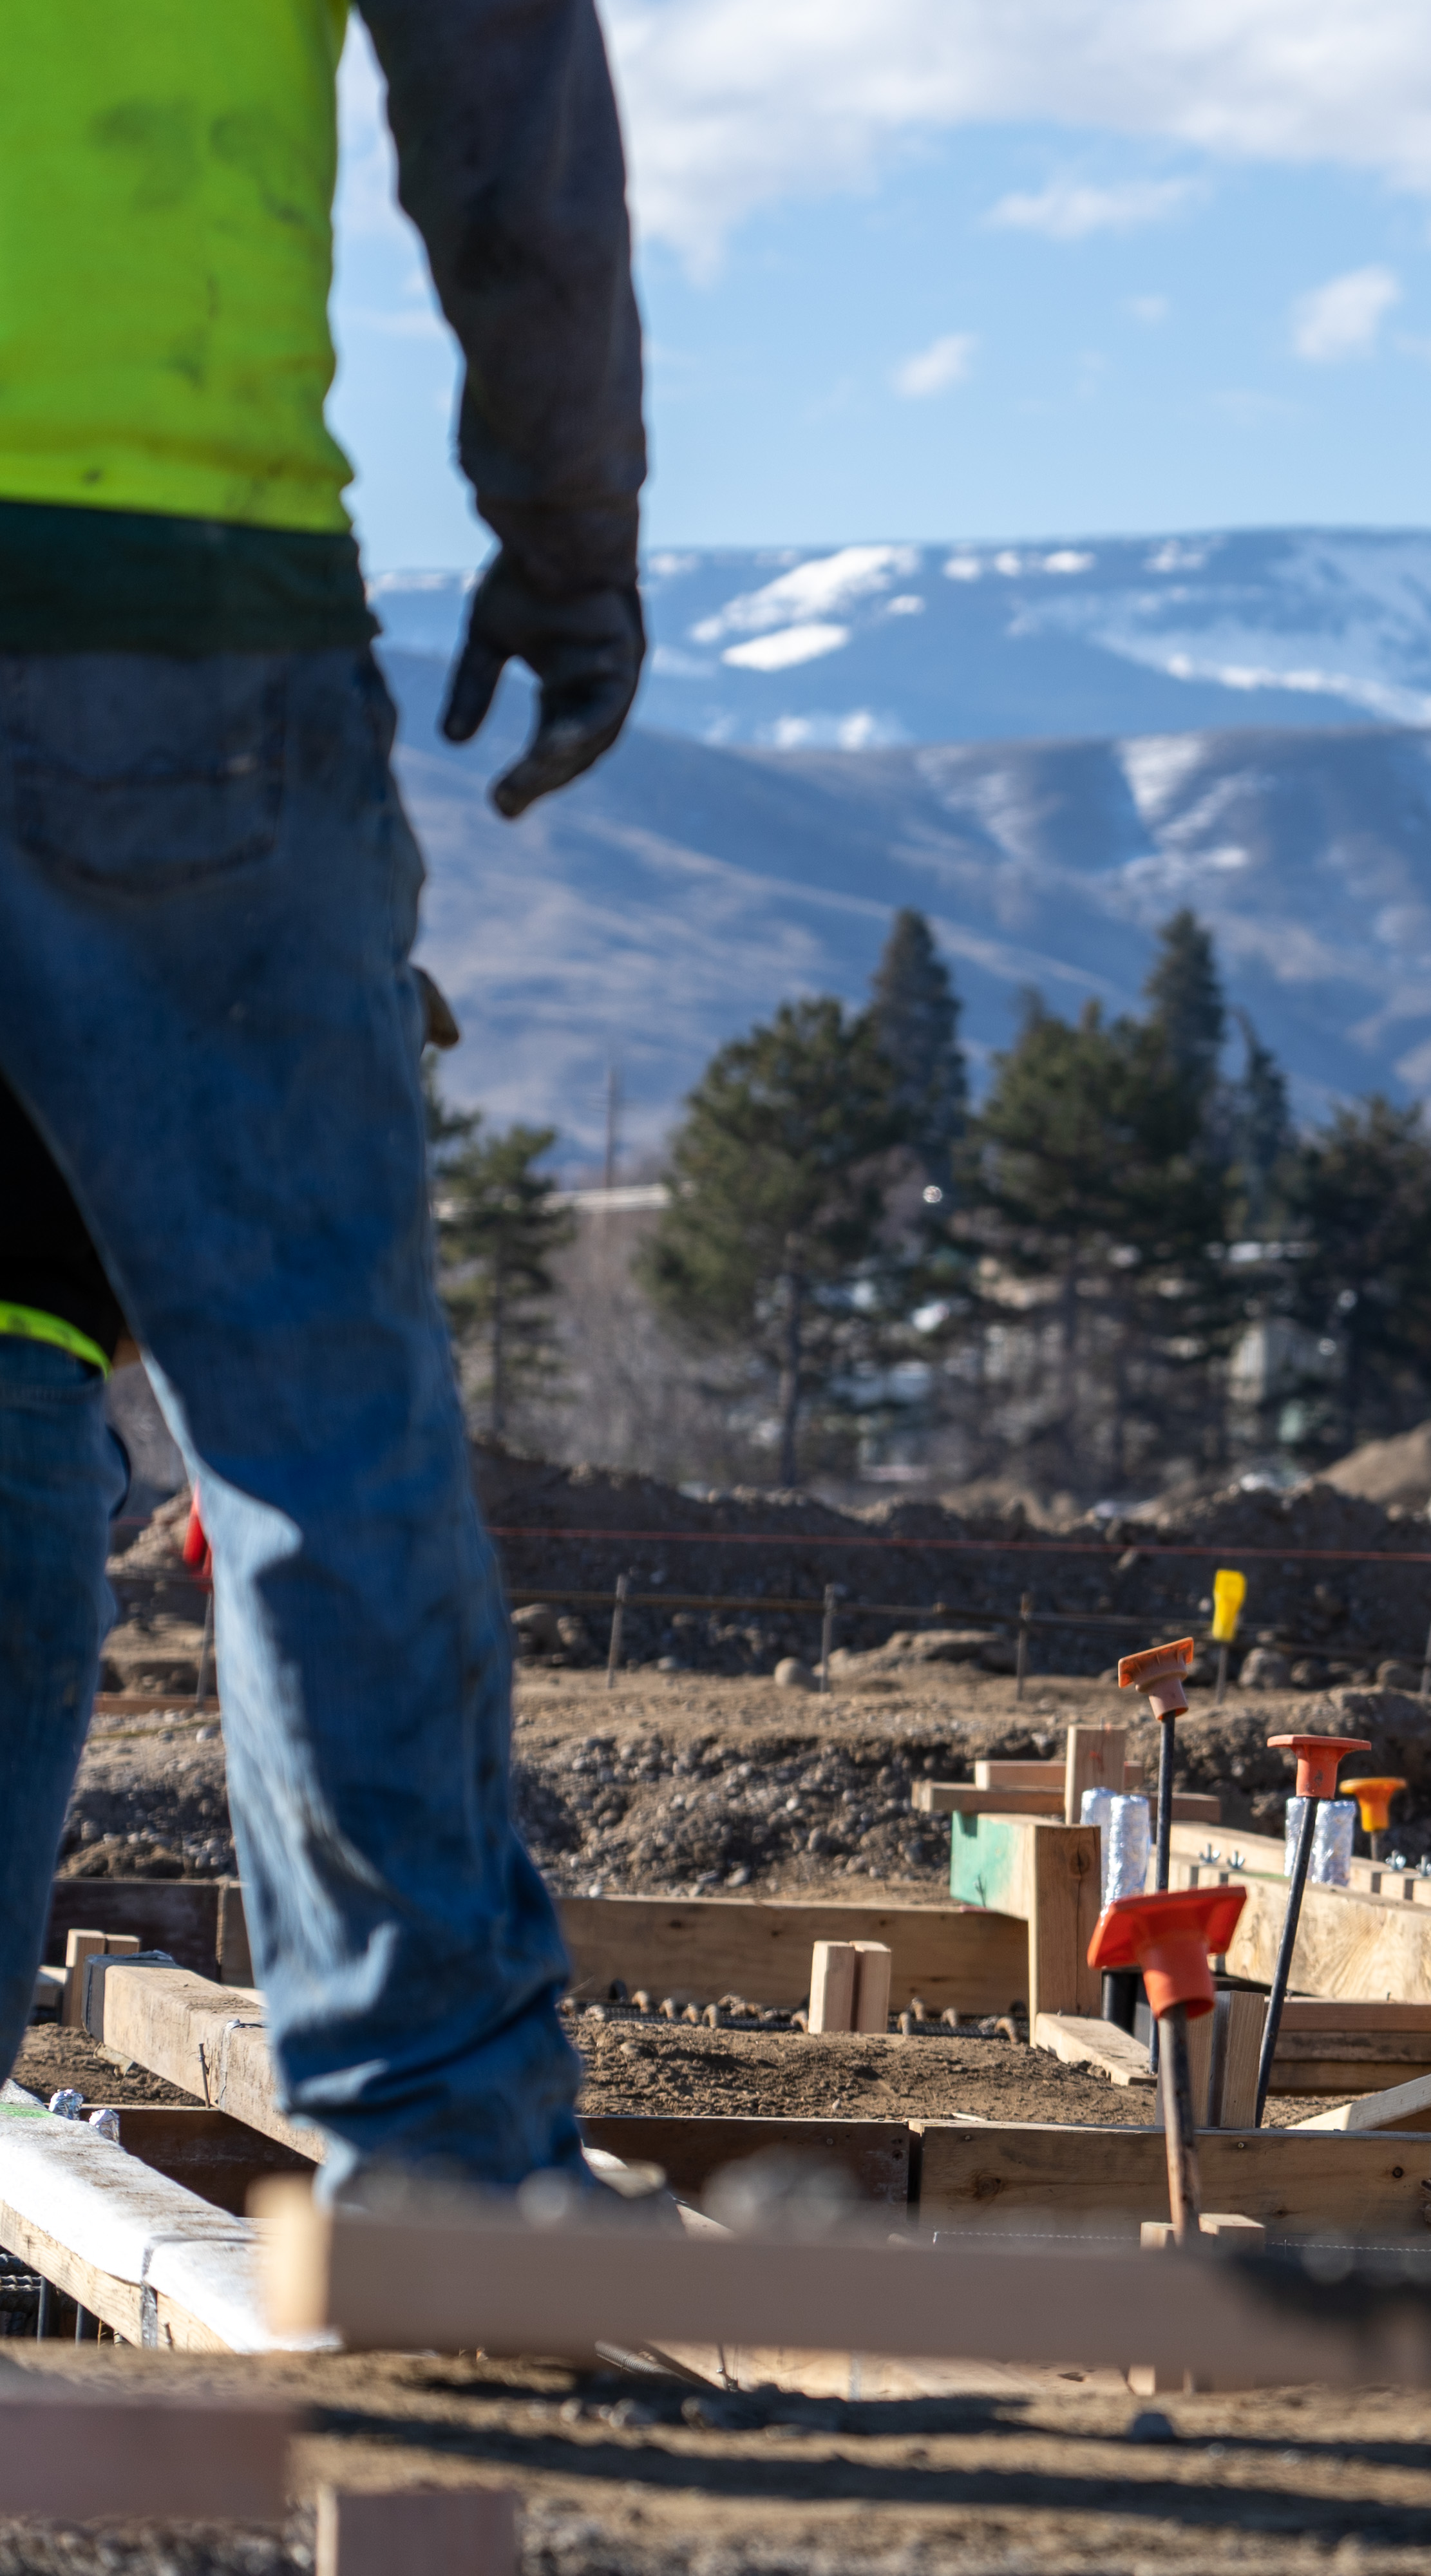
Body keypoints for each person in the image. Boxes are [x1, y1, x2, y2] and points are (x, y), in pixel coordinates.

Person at [1, 1, 647, 2192]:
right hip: (168, 620)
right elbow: (511, 127)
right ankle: (448, 2153)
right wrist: (568, 540)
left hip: (167, 620)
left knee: (3, 1367)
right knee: (311, 1423)